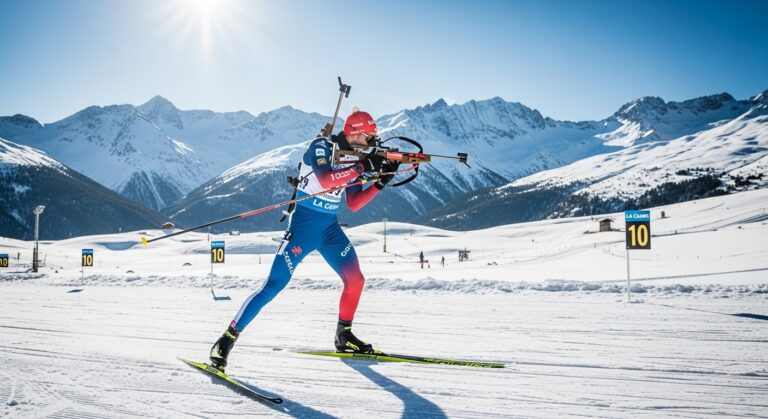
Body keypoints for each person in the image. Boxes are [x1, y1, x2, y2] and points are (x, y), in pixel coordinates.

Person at [209, 110, 399, 371]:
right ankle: (226, 340)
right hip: (303, 228)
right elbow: (323, 179)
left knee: (356, 280)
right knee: (274, 285)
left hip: (330, 229)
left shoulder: (357, 156)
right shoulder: (321, 146)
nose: (372, 143)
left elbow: (354, 203)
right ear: (355, 133)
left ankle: (344, 336)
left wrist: (380, 182)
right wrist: (363, 167)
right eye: (369, 138)